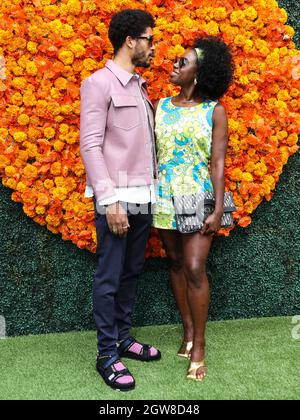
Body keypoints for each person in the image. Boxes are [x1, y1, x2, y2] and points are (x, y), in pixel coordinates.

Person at [80, 9, 161, 392]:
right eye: (150, 39)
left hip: (143, 196)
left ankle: (123, 338)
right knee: (110, 275)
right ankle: (106, 354)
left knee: (130, 272)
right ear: (131, 40)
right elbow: (91, 145)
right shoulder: (98, 84)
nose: (153, 47)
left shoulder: (139, 87)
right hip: (117, 199)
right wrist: (110, 201)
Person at [152, 36, 234, 381]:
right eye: (176, 60)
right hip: (165, 196)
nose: (174, 65)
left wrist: (216, 208)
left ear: (199, 74)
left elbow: (217, 162)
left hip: (198, 196)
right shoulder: (161, 105)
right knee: (174, 262)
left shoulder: (214, 111)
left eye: (183, 62)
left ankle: (198, 346)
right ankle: (186, 330)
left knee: (195, 267)